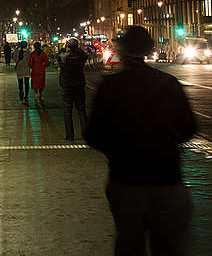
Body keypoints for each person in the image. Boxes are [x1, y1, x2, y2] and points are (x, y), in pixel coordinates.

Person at [86, 26, 197, 255]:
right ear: (149, 50)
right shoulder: (169, 84)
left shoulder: (110, 87)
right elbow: (189, 129)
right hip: (166, 178)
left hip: (126, 179)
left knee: (129, 243)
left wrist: (116, 148)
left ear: (122, 51)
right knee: (167, 245)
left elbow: (93, 135)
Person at [60, 38, 88, 140]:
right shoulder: (81, 56)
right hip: (79, 85)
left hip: (67, 85)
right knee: (81, 110)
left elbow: (59, 57)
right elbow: (85, 55)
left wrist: (64, 47)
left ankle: (70, 135)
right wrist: (77, 48)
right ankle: (85, 134)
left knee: (67, 110)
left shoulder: (64, 57)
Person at [28, 41, 49, 107]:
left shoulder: (33, 54)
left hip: (34, 71)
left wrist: (33, 67)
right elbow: (47, 62)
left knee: (35, 84)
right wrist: (43, 67)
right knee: (41, 84)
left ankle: (36, 93)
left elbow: (30, 64)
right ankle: (41, 95)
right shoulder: (42, 53)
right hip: (41, 71)